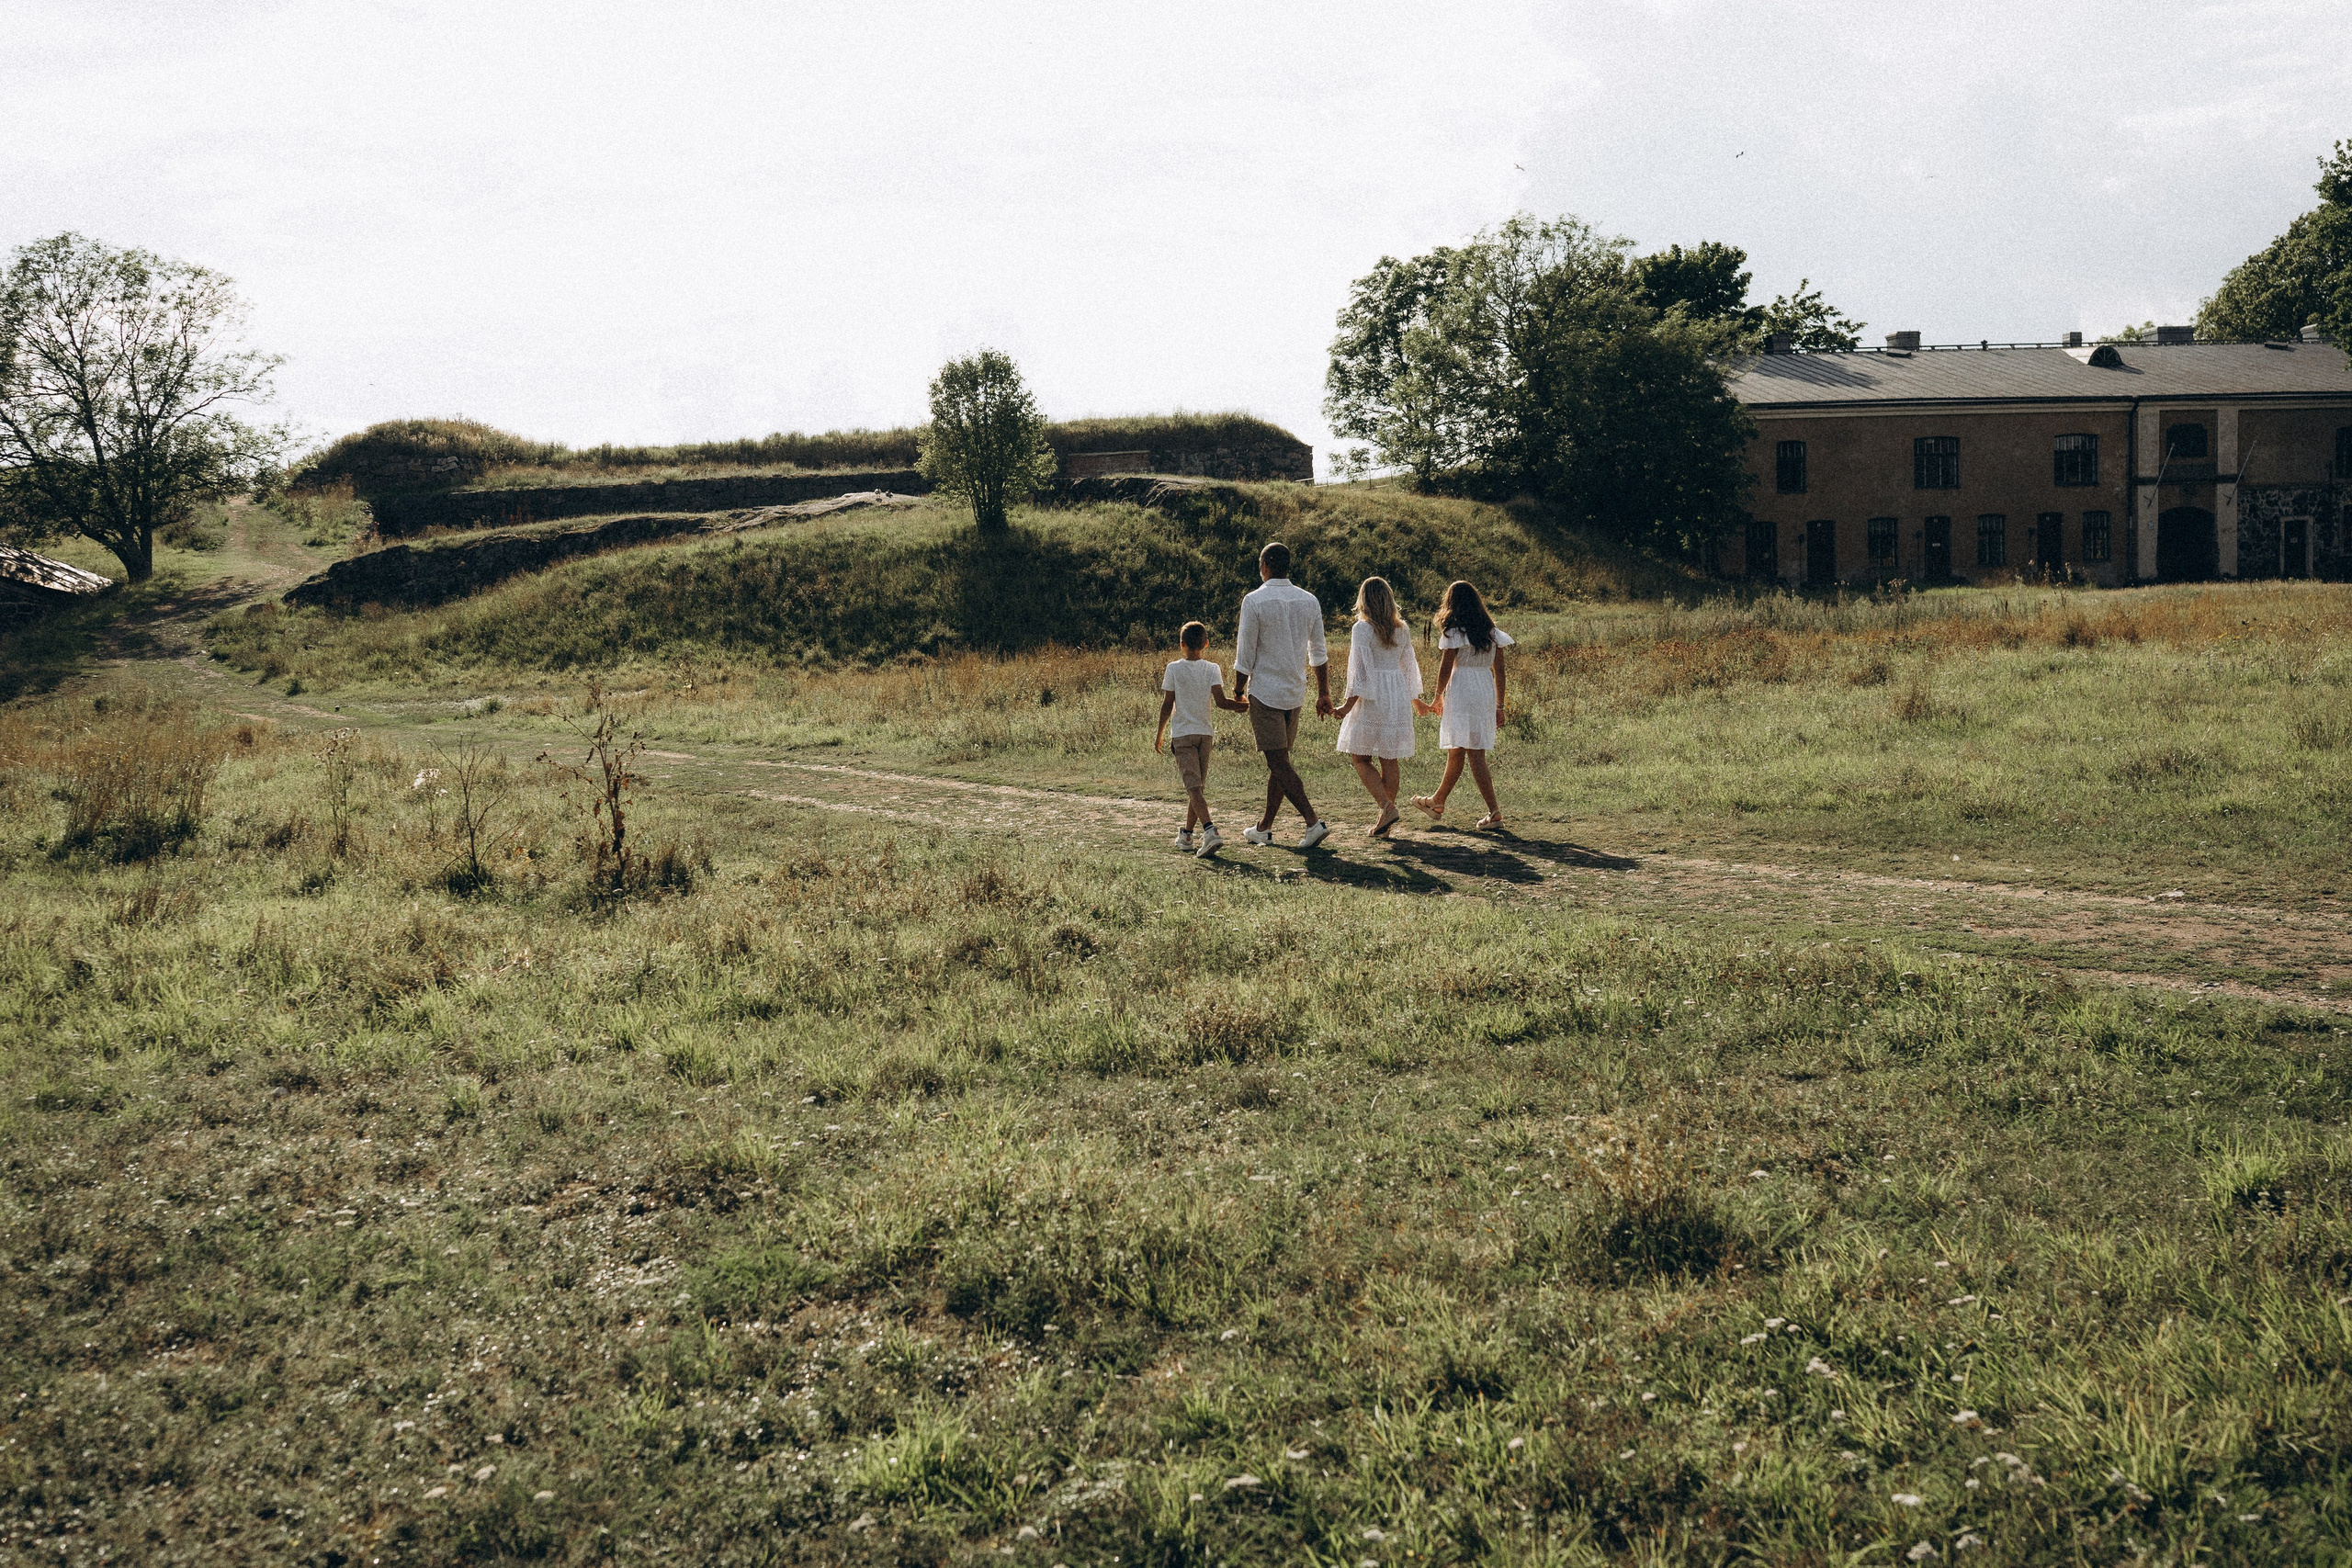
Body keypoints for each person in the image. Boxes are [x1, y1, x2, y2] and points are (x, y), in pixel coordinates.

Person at [1229, 540, 1333, 850]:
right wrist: (1324, 692)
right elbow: (1319, 652)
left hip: (1265, 691)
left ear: (1264, 567)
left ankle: (1313, 822)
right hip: (1295, 691)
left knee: (1278, 763)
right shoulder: (1309, 600)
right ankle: (1264, 827)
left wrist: (1237, 689)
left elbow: (1245, 652)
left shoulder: (1254, 600)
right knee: (1280, 761)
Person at [1412, 579, 1512, 831]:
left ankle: (1494, 811)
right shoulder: (1492, 632)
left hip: (1463, 688)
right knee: (1458, 749)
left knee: (1474, 752)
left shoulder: (1455, 632)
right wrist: (1499, 705)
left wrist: (1438, 696)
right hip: (1484, 688)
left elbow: (1446, 666)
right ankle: (1438, 802)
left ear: (1452, 604)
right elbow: (1499, 672)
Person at [1331, 575, 1421, 838]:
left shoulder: (1362, 628)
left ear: (1364, 600)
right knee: (1389, 757)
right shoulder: (1402, 628)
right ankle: (1386, 824)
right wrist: (1414, 699)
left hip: (1373, 695)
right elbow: (1409, 668)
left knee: (1360, 757)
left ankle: (1386, 806)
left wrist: (1346, 706)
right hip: (1396, 694)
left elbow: (1360, 673)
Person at [1154, 618, 1244, 857]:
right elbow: (1221, 702)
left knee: (1193, 788)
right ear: (1206, 644)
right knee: (1197, 788)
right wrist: (1243, 705)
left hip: (1183, 734)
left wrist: (1160, 733)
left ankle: (1210, 830)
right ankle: (1186, 835)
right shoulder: (1212, 668)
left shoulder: (1173, 668)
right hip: (1205, 734)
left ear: (1181, 644)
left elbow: (1167, 704)